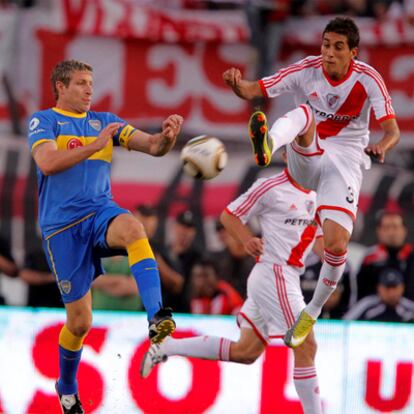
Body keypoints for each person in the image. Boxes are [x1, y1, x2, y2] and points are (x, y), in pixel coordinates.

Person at [223, 16, 400, 348]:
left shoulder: (368, 79)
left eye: (337, 47)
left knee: (336, 245)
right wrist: (237, 85)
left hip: (346, 160)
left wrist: (382, 146)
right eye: (325, 44)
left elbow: (392, 131)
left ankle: (312, 311)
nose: (328, 53)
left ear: (353, 53)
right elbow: (253, 89)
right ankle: (268, 147)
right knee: (305, 113)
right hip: (307, 154)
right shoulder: (306, 68)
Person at [27, 59, 182, 414]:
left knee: (133, 228)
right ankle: (67, 389)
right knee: (80, 322)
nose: (88, 90)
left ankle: (157, 317)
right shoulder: (44, 121)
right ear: (61, 87)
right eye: (81, 83)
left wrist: (167, 138)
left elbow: (153, 146)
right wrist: (95, 145)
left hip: (99, 212)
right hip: (62, 228)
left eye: (91, 83)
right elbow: (48, 163)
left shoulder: (107, 123)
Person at [141, 168, 324, 414]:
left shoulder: (321, 193)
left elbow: (323, 245)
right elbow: (229, 215)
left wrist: (337, 256)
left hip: (281, 277)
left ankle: (168, 347)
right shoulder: (272, 186)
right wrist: (247, 239)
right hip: (275, 273)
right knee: (306, 345)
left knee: (246, 351)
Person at [357, 211, 413, 300]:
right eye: (386, 228)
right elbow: (360, 294)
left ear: (404, 230)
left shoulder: (411, 256)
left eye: (395, 227)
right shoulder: (370, 259)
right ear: (378, 231)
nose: (391, 233)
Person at [344, 268, 414, 322]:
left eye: (395, 287)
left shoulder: (410, 308)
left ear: (402, 288)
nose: (391, 293)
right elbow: (345, 322)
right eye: (387, 288)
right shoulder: (366, 305)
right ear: (379, 288)